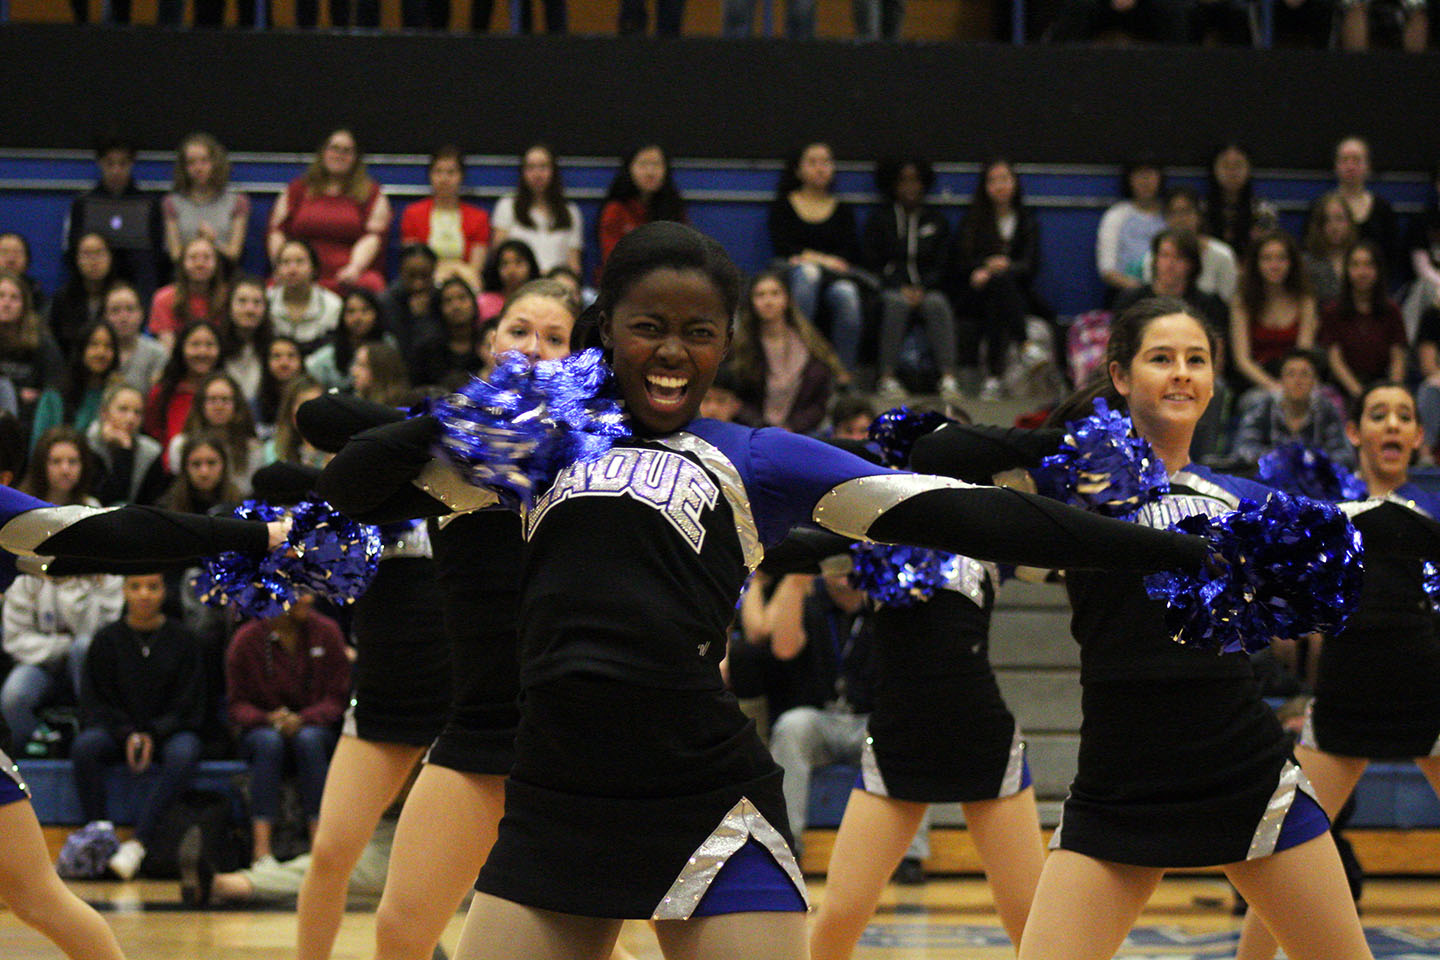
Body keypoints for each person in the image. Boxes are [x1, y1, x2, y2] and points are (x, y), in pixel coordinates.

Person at [320, 223, 1237, 960]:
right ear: (606, 332)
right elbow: (353, 478)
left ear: (728, 344)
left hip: (706, 801)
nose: (673, 352)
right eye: (647, 326)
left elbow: (964, 516)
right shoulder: (537, 443)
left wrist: (1172, 553)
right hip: (558, 805)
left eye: (698, 331)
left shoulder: (751, 456)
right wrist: (504, 407)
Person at [908, 297, 1372, 960]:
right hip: (1118, 782)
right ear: (1122, 376)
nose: (1182, 373)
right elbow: (936, 451)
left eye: (1196, 360)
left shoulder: (1241, 498)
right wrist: (1063, 448)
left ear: (1214, 383)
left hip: (1244, 772)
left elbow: (1337, 571)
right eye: (1162, 359)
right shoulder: (1076, 484)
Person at [296, 277, 581, 960]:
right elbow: (320, 424)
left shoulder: (597, 449)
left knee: (568, 925)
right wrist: (450, 421)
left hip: (567, 726)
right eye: (518, 331)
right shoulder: (445, 450)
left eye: (555, 338)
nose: (533, 351)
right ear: (490, 343)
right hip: (462, 711)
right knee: (387, 913)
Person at [1233, 382, 1440, 960]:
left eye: (1404, 416)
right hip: (1344, 696)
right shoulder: (1332, 517)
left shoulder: (1433, 516)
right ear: (1356, 434)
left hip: (1431, 695)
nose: (1393, 425)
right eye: (1379, 415)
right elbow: (1287, 615)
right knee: (1284, 852)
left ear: (1419, 437)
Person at [809, 541, 1045, 960]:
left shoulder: (990, 526)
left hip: (984, 741)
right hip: (897, 744)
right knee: (840, 915)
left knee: (1033, 922)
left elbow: (1070, 551)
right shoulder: (874, 526)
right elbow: (800, 547)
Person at [71, 573, 204, 881]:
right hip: (118, 731)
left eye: (153, 587)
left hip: (169, 732)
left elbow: (190, 705)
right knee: (85, 746)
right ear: (124, 592)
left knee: (186, 751)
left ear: (164, 592)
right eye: (136, 587)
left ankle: (139, 843)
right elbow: (95, 704)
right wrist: (127, 733)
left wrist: (153, 733)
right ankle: (99, 838)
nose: (144, 594)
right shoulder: (106, 639)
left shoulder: (184, 640)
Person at [227, 593, 350, 867]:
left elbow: (337, 699)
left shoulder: (327, 632)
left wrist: (303, 718)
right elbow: (236, 706)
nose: (307, 599)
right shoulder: (246, 639)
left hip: (315, 729)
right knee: (268, 743)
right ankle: (262, 851)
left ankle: (320, 847)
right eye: (298, 592)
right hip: (262, 730)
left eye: (308, 591)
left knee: (309, 740)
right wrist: (269, 718)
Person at [862, 158, 959, 405]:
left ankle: (948, 377)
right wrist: (898, 285)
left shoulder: (936, 220)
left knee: (937, 303)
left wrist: (924, 287)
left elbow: (944, 263)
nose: (910, 187)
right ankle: (886, 377)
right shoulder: (880, 220)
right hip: (891, 289)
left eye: (915, 180)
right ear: (893, 185)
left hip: (928, 289)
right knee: (896, 304)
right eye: (903, 181)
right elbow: (871, 263)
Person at [951, 158, 1048, 402]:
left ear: (1014, 183)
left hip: (1015, 292)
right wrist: (982, 267)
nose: (999, 186)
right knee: (997, 286)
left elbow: (1030, 266)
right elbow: (959, 263)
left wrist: (1006, 267)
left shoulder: (1027, 220)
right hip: (976, 295)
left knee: (1001, 290)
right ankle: (1025, 346)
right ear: (984, 186)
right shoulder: (972, 220)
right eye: (993, 180)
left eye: (1004, 179)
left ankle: (993, 379)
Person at [2, 564, 123, 754]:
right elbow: (16, 641)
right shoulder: (25, 578)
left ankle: (92, 736)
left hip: (90, 667)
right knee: (14, 694)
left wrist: (71, 587)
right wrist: (64, 645)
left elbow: (99, 638)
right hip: (39, 665)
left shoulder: (107, 574)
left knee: (82, 648)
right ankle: (35, 749)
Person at [769, 142, 865, 374]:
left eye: (826, 162)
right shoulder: (784, 205)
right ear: (798, 170)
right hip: (794, 275)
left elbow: (847, 253)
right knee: (807, 274)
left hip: (832, 278)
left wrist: (816, 260)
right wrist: (818, 260)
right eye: (812, 162)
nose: (820, 168)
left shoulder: (842, 209)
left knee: (848, 294)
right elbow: (784, 248)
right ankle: (797, 365)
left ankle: (843, 373)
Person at [268, 129, 391, 294]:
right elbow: (277, 231)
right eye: (334, 148)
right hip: (298, 272)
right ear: (323, 152)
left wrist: (354, 268)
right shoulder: (297, 189)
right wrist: (282, 267)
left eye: (347, 151)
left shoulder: (371, 193)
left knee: (373, 284)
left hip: (347, 275)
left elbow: (373, 236)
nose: (339, 155)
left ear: (356, 157)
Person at [726, 269, 845, 434]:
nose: (768, 301)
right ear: (751, 302)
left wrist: (791, 428)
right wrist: (763, 427)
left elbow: (819, 402)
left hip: (800, 433)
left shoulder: (812, 345)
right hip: (751, 432)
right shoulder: (740, 347)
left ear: (787, 299)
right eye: (760, 295)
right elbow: (734, 400)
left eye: (775, 293)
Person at [65, 137, 163, 302]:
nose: (116, 170)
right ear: (100, 164)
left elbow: (157, 252)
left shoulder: (149, 203)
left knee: (145, 259)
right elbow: (73, 248)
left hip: (136, 273)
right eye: (110, 164)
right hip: (94, 275)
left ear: (131, 164)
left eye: (123, 164)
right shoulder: (83, 203)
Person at [1229, 231, 1319, 400]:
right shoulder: (1242, 301)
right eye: (1266, 259)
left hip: (1297, 378)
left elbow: (1303, 353)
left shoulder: (1305, 300)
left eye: (1281, 259)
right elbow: (1242, 360)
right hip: (1256, 382)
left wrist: (1292, 386)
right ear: (1256, 264)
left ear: (1292, 263)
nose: (1274, 265)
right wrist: (1274, 387)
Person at [1232, 349, 1353, 467]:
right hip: (1269, 479)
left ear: (1315, 381)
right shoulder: (1263, 407)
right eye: (1291, 374)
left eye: (1305, 374)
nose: (1297, 381)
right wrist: (1281, 459)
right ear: (1281, 380)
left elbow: (1344, 455)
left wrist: (1310, 460)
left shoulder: (1327, 410)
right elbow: (1243, 450)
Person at [1320, 239, 1406, 400]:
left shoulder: (1391, 310)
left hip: (1382, 386)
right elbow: (1335, 360)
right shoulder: (1332, 311)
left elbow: (1398, 360)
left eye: (1368, 265)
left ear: (1378, 270)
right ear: (1347, 270)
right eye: (1355, 265)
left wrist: (1392, 393)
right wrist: (1361, 394)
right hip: (1342, 388)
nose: (1362, 271)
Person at [1306, 138, 1402, 278]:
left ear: (1368, 166)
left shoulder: (1383, 208)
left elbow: (1392, 255)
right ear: (1336, 165)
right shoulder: (1319, 205)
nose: (1350, 166)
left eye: (1356, 160)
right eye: (1344, 160)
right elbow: (1309, 247)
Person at [400, 146, 490, 290]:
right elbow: (413, 263)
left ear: (461, 177)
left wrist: (453, 271)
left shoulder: (479, 217)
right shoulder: (413, 214)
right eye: (438, 172)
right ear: (430, 176)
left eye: (451, 172)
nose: (444, 178)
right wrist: (443, 271)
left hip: (464, 281)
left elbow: (475, 268)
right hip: (425, 281)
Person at [491, 144, 585, 276]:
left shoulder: (571, 211)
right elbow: (499, 256)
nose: (537, 174)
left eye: (543, 167)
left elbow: (574, 265)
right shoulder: (507, 205)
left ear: (554, 171)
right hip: (519, 283)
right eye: (531, 168)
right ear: (523, 172)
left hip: (555, 284)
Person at [163, 132, 249, 268]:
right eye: (191, 162)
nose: (198, 168)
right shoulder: (172, 203)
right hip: (184, 277)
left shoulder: (237, 202)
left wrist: (213, 242)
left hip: (224, 273)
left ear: (215, 163)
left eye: (204, 161)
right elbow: (175, 255)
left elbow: (234, 254)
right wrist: (196, 251)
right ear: (183, 167)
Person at [165, 373, 262, 495]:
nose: (219, 406)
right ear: (201, 404)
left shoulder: (252, 448)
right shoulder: (180, 445)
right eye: (212, 400)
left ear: (236, 405)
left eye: (225, 400)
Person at [31, 320, 119, 448]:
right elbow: (39, 446)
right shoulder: (55, 394)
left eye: (108, 346)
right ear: (81, 349)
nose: (101, 352)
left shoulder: (118, 393)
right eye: (93, 345)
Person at [1143, 186, 1237, 303]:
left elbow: (1227, 299)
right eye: (1173, 212)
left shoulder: (1223, 255)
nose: (1180, 219)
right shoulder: (1153, 256)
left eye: (1186, 211)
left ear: (1199, 215)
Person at [599, 144, 687, 267]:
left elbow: (684, 252)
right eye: (643, 164)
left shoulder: (673, 208)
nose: (650, 172)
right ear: (629, 168)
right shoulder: (615, 209)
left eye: (656, 164)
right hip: (623, 278)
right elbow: (611, 257)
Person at [144, 321, 223, 457]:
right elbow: (153, 435)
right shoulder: (162, 392)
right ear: (181, 348)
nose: (202, 352)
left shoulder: (227, 392)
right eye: (195, 345)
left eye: (209, 345)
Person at [0, 272, 66, 433]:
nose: (6, 303)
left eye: (14, 298)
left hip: (31, 421)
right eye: (1, 296)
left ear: (25, 305)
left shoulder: (42, 342)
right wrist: (17, 394)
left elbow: (54, 389)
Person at [1096, 160, 1166, 301]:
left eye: (1150, 174)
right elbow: (1107, 270)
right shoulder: (1116, 215)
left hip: (1169, 293)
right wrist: (1145, 291)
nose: (1145, 180)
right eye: (1139, 175)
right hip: (1127, 294)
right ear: (1129, 180)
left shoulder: (1170, 214)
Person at [87, 384, 168, 507]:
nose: (131, 418)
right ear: (104, 413)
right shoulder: (87, 446)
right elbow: (102, 498)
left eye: (138, 412)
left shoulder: (151, 452)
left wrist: (125, 449)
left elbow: (147, 503)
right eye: (123, 409)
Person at [148, 235, 228, 351]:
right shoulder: (163, 298)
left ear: (217, 264)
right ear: (182, 263)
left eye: (207, 258)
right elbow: (167, 350)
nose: (200, 264)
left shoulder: (229, 297)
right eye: (193, 258)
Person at [305, 288, 394, 392]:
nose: (358, 318)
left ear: (376, 314)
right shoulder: (326, 356)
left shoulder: (389, 344)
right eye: (351, 311)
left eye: (365, 310)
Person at [48, 232, 121, 358]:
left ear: (111, 257)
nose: (93, 261)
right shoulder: (63, 297)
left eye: (99, 253)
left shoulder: (122, 295)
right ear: (76, 259)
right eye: (86, 254)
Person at [268, 239, 344, 355]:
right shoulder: (265, 300)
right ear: (277, 271)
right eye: (285, 262)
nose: (292, 269)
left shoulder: (333, 306)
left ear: (314, 269)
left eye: (300, 262)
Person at [409, 276, 486, 389]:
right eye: (448, 301)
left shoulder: (486, 343)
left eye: (462, 298)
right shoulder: (426, 348)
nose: (456, 306)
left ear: (474, 303)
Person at [1205, 144, 1278, 260]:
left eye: (1238, 166)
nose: (1231, 172)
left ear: (1249, 169)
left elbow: (1268, 251)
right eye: (1225, 166)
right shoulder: (1203, 208)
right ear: (1214, 169)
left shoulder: (1263, 210)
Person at [104, 283, 168, 394]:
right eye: (115, 310)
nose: (123, 317)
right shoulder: (97, 351)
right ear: (105, 316)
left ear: (141, 314)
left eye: (130, 309)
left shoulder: (157, 353)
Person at [158, 434, 242, 516]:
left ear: (224, 465)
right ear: (185, 468)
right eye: (196, 464)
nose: (204, 472)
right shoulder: (166, 508)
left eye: (211, 463)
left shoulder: (240, 507)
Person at [221, 276, 274, 402]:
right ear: (229, 306)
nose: (250, 310)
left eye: (257, 302)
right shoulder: (215, 346)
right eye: (242, 301)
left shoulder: (273, 348)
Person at [1303, 191, 1359, 307]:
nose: (1334, 227)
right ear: (1319, 225)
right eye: (1327, 220)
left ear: (1349, 222)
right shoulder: (1306, 263)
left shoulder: (1361, 259)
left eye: (1339, 219)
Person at [264, 376, 327, 469]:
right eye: (304, 404)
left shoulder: (337, 450)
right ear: (290, 410)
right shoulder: (273, 451)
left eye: (316, 404)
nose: (310, 412)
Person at [256, 337, 306, 438]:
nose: (284, 363)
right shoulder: (255, 405)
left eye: (291, 356)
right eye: (276, 356)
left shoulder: (313, 399)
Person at [480, 240, 541, 319]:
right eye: (505, 264)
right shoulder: (485, 302)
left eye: (518, 262)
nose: (511, 270)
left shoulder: (540, 300)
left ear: (531, 266)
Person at [0, 232, 50, 317]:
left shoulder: (35, 293)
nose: (11, 259)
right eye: (4, 252)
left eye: (17, 253)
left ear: (27, 259)